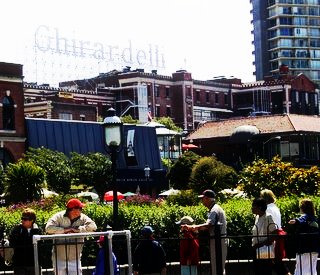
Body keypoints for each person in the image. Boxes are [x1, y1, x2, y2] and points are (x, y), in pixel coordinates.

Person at [45, 198, 97, 275]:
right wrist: (66, 230)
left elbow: (93, 227)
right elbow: (48, 228)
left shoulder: (83, 217)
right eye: (80, 208)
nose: (82, 210)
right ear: (73, 209)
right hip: (59, 258)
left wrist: (78, 229)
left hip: (75, 257)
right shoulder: (58, 216)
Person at [182, 189, 227, 275]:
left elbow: (208, 225)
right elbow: (208, 226)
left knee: (217, 267)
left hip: (218, 240)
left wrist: (192, 227)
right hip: (218, 239)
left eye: (203, 199)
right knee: (219, 266)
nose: (202, 201)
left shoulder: (214, 209)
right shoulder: (215, 208)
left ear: (207, 199)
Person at [260, 189, 291, 275]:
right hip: (278, 235)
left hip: (272, 236)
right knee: (277, 262)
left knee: (275, 263)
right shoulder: (275, 207)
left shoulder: (268, 209)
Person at [288, 199, 319, 275]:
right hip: (315, 249)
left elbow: (302, 219)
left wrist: (295, 221)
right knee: (312, 270)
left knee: (300, 270)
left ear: (302, 208)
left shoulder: (305, 217)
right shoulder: (315, 219)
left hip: (304, 248)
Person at [9, 208, 42, 275]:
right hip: (19, 264)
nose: (22, 220)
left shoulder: (38, 230)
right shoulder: (17, 229)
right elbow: (12, 242)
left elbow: (41, 246)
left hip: (34, 263)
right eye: (22, 218)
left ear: (32, 220)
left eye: (25, 219)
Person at [252, 197, 278, 275]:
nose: (252, 208)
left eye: (253, 206)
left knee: (265, 271)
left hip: (264, 251)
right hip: (257, 250)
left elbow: (274, 234)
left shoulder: (268, 217)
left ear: (259, 207)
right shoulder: (257, 217)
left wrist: (261, 244)